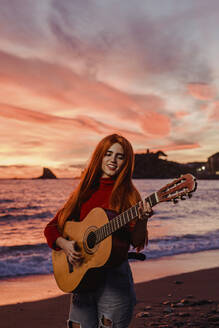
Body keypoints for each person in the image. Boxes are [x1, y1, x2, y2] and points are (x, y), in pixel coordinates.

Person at [44, 133, 153, 328]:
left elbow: (136, 242)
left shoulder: (130, 196)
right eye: (108, 154)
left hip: (115, 280)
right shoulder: (84, 191)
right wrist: (65, 244)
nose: (113, 160)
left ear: (126, 162)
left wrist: (142, 220)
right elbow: (51, 228)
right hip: (82, 276)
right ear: (99, 156)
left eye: (120, 156)